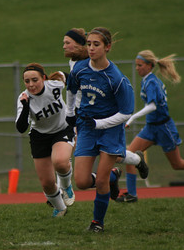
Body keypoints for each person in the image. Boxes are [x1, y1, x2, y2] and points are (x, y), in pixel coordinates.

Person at [64, 28, 149, 202]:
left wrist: (100, 122)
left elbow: (125, 109)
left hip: (105, 121)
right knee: (85, 177)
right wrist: (70, 113)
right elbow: (71, 89)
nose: (64, 46)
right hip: (85, 119)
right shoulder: (78, 65)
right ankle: (115, 175)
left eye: (68, 43)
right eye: (89, 44)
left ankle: (98, 220)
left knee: (112, 157)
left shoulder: (108, 72)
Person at [116, 50, 184, 203]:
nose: (137, 68)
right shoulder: (147, 80)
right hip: (151, 127)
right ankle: (132, 195)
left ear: (149, 66)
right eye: (136, 65)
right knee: (128, 155)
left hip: (164, 128)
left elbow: (153, 106)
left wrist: (132, 118)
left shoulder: (151, 81)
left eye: (140, 65)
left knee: (177, 164)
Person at [15, 63, 75, 217]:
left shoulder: (54, 85)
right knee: (47, 184)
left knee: (60, 161)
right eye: (27, 81)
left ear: (43, 78)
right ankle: (61, 208)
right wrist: (26, 106)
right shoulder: (24, 98)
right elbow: (21, 127)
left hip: (62, 128)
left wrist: (75, 102)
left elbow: (70, 77)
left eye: (35, 80)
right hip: (39, 137)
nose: (31, 85)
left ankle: (67, 187)